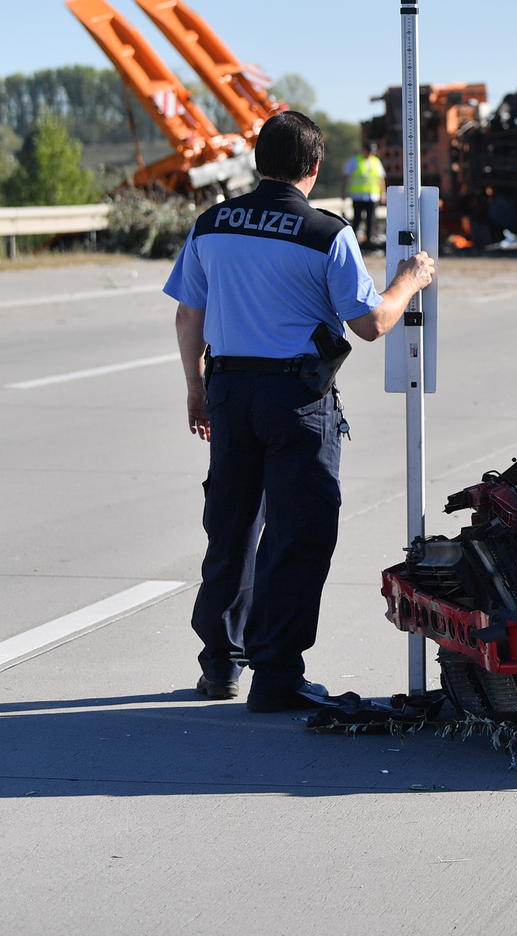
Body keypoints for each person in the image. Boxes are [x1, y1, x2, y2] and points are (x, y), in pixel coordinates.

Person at [166, 112, 435, 712]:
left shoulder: (212, 224)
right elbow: (371, 324)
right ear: (313, 168)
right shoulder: (324, 233)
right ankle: (277, 677)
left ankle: (220, 665)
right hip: (296, 402)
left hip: (229, 392)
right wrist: (409, 280)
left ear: (260, 161)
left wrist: (195, 388)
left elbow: (189, 314)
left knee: (231, 526)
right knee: (297, 535)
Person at [341, 140, 386, 246]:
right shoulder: (354, 161)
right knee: (357, 218)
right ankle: (353, 240)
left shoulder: (376, 162)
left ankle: (369, 241)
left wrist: (382, 193)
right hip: (358, 196)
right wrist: (343, 191)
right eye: (369, 151)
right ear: (363, 150)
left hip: (372, 196)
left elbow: (381, 179)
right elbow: (345, 177)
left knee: (371, 219)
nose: (370, 153)